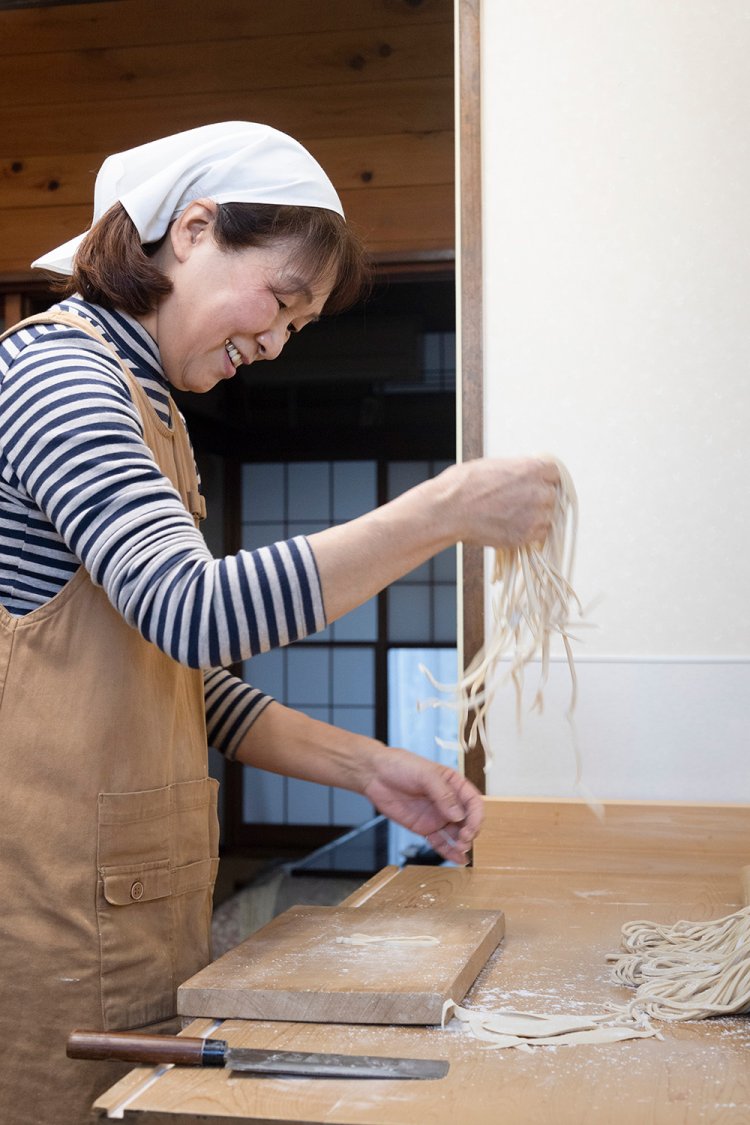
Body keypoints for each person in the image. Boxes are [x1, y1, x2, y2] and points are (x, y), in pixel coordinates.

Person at [0, 121, 558, 1124]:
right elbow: (194, 615)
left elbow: (178, 681)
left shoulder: (149, 408)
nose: (274, 342)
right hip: (43, 932)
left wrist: (368, 768)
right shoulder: (57, 377)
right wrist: (443, 511)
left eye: (298, 328)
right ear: (194, 229)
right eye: (283, 302)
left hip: (132, 916)